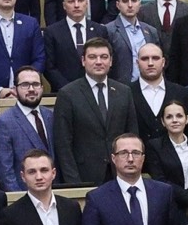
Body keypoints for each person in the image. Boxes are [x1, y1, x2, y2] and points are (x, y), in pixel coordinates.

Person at [53, 37, 138, 187]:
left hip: (119, 175)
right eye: (92, 57)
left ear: (111, 61)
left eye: (104, 57)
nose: (98, 62)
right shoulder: (68, 94)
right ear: (83, 61)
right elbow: (63, 144)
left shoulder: (124, 92)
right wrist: (73, 182)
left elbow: (132, 134)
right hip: (84, 176)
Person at [0, 65, 56, 193]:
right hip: (23, 196)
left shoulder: (50, 116)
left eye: (35, 84)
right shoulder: (3, 123)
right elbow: (4, 173)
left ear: (42, 88)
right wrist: (19, 198)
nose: (31, 89)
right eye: (25, 85)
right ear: (15, 89)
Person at [146, 98, 188, 211]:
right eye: (169, 117)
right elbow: (160, 180)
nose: (175, 120)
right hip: (170, 203)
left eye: (179, 116)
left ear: (186, 119)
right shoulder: (154, 146)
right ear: (163, 122)